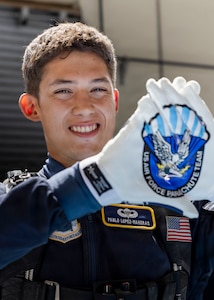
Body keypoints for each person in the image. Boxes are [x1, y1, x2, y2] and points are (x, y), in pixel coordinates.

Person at [0, 21, 213, 300]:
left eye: (98, 89)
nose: (85, 106)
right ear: (32, 107)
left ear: (114, 100)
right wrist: (93, 182)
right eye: (64, 91)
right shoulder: (9, 203)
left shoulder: (180, 209)